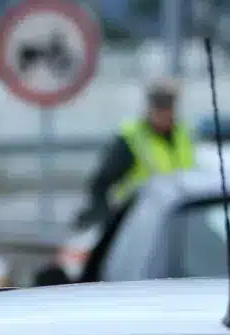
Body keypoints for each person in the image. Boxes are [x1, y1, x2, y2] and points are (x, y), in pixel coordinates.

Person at [80, 78, 195, 225]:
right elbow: (101, 183)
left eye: (168, 105)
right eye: (159, 105)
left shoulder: (183, 134)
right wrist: (105, 217)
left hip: (178, 219)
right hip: (137, 222)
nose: (164, 112)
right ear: (149, 107)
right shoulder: (132, 138)